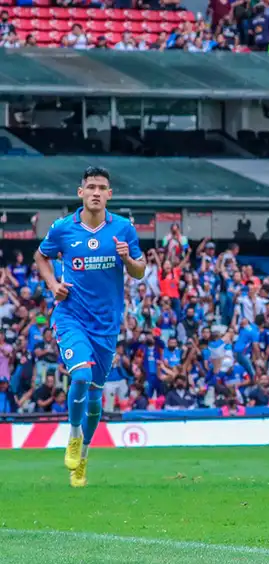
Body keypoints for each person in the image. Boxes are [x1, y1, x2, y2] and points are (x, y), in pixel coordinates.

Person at [34, 167, 145, 488]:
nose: (96, 192)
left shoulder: (123, 229)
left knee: (96, 398)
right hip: (71, 316)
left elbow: (139, 271)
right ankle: (73, 434)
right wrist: (53, 283)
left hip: (106, 325)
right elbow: (41, 257)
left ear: (110, 194)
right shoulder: (63, 228)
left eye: (102, 188)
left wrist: (128, 260)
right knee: (80, 374)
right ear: (80, 192)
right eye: (91, 187)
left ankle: (83, 456)